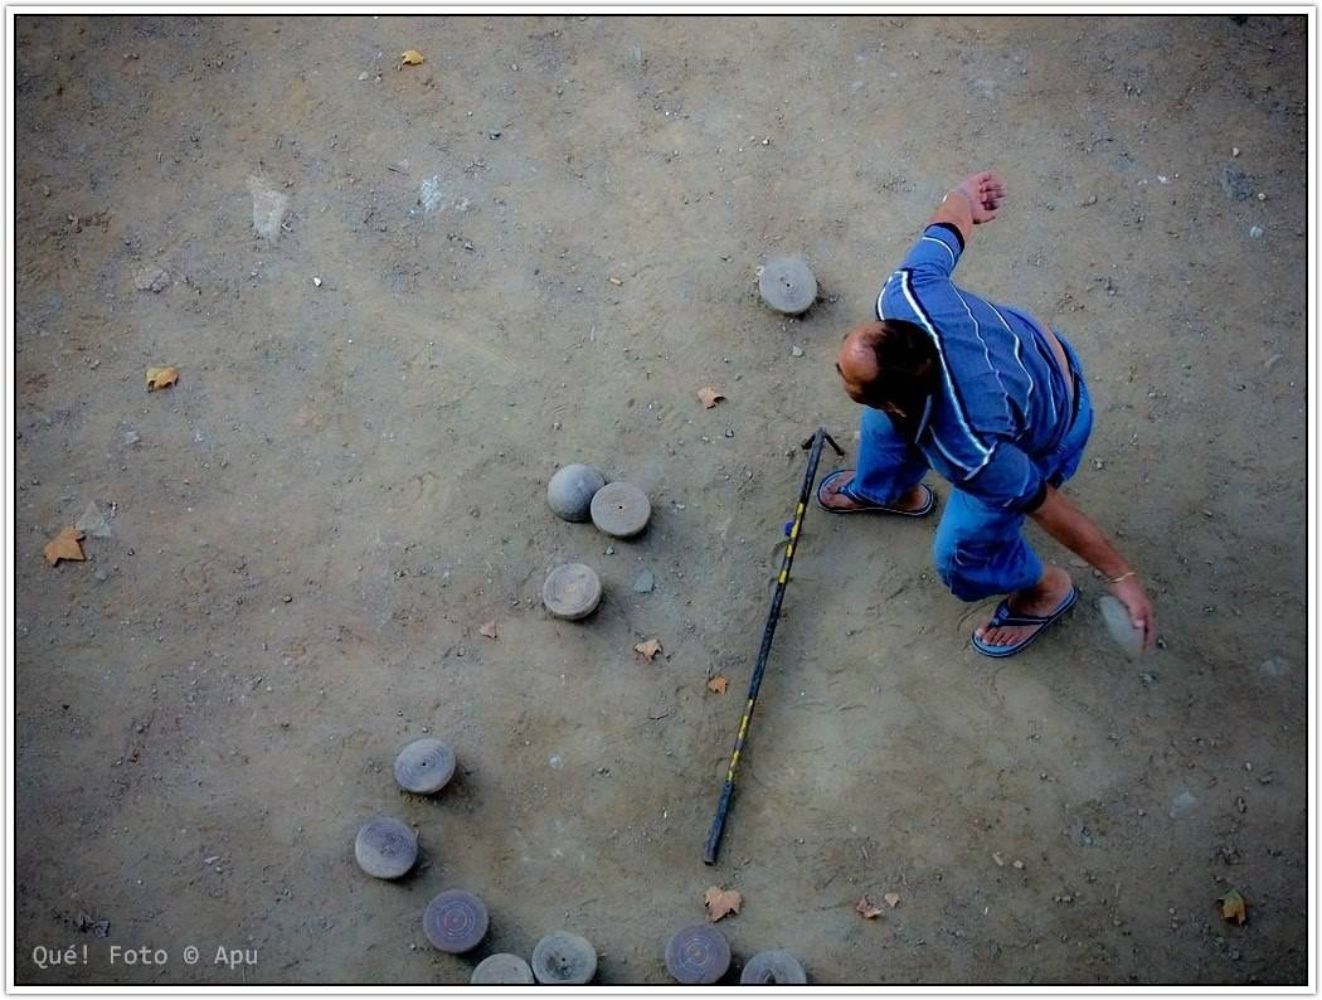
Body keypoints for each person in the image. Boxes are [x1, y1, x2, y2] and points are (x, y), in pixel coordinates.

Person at [820, 170, 1154, 657]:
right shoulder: (906, 294)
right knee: (879, 430)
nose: (837, 367)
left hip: (1053, 425)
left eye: (846, 376)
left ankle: (1044, 591)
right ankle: (887, 491)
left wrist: (1121, 576)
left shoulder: (969, 448)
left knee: (960, 554)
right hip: (1031, 358)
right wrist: (963, 198)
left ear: (898, 401)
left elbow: (1046, 506)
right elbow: (947, 228)